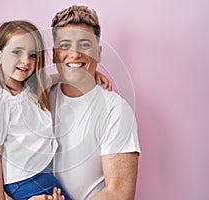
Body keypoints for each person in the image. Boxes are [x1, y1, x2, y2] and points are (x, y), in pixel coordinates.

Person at [0, 20, 110, 200]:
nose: (25, 61)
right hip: (25, 179)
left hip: (41, 174)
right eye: (16, 52)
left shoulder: (33, 88)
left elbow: (61, 76)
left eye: (32, 55)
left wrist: (91, 73)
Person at [49, 5, 141, 200]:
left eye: (84, 45)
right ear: (55, 53)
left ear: (98, 53)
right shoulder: (36, 99)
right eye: (65, 45)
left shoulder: (115, 110)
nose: (74, 54)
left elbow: (120, 194)